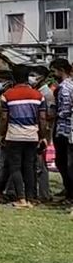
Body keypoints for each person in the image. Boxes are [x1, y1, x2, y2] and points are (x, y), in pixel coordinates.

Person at [0, 65, 47, 208]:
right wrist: (42, 136)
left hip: (14, 135)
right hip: (32, 136)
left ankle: (21, 198)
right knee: (29, 166)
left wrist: (1, 134)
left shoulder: (7, 95)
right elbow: (42, 118)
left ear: (13, 78)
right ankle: (31, 198)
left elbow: (4, 118)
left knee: (15, 167)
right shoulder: (38, 95)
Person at [30, 67, 56, 202]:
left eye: (34, 75)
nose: (31, 78)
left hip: (43, 131)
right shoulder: (35, 92)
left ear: (42, 78)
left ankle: (44, 194)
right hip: (35, 130)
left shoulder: (46, 94)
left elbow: (50, 115)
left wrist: (44, 135)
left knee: (40, 164)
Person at [51, 58, 73, 201]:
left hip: (64, 129)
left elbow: (65, 110)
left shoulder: (64, 88)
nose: (53, 74)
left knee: (64, 162)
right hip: (65, 129)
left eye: (54, 71)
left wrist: (53, 114)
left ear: (61, 70)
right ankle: (68, 190)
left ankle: (70, 192)